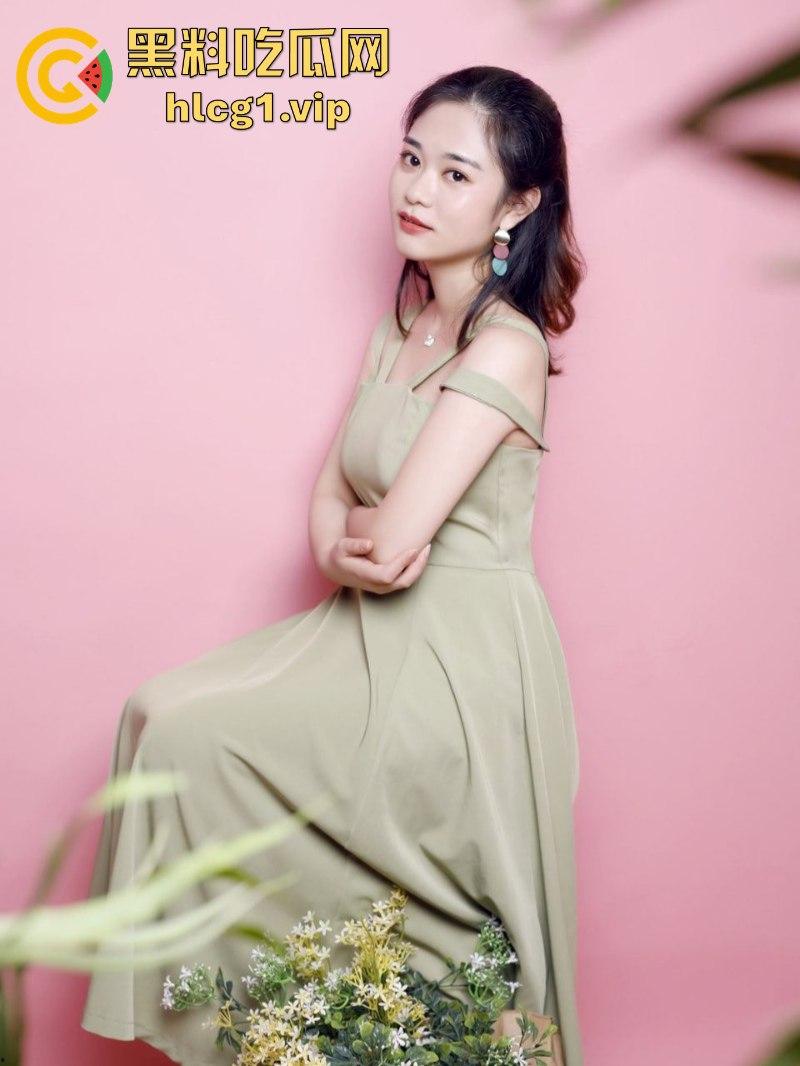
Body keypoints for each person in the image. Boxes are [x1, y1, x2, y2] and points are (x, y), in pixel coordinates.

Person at [81, 65, 586, 1065]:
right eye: (410, 160)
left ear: (515, 206)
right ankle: (284, 1028)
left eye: (454, 174)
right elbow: (331, 510)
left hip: (459, 661)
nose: (416, 189)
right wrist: (346, 542)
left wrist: (361, 539)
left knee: (187, 732)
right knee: (152, 713)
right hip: (362, 630)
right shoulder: (403, 329)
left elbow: (391, 545)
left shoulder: (506, 347)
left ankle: (402, 1024)